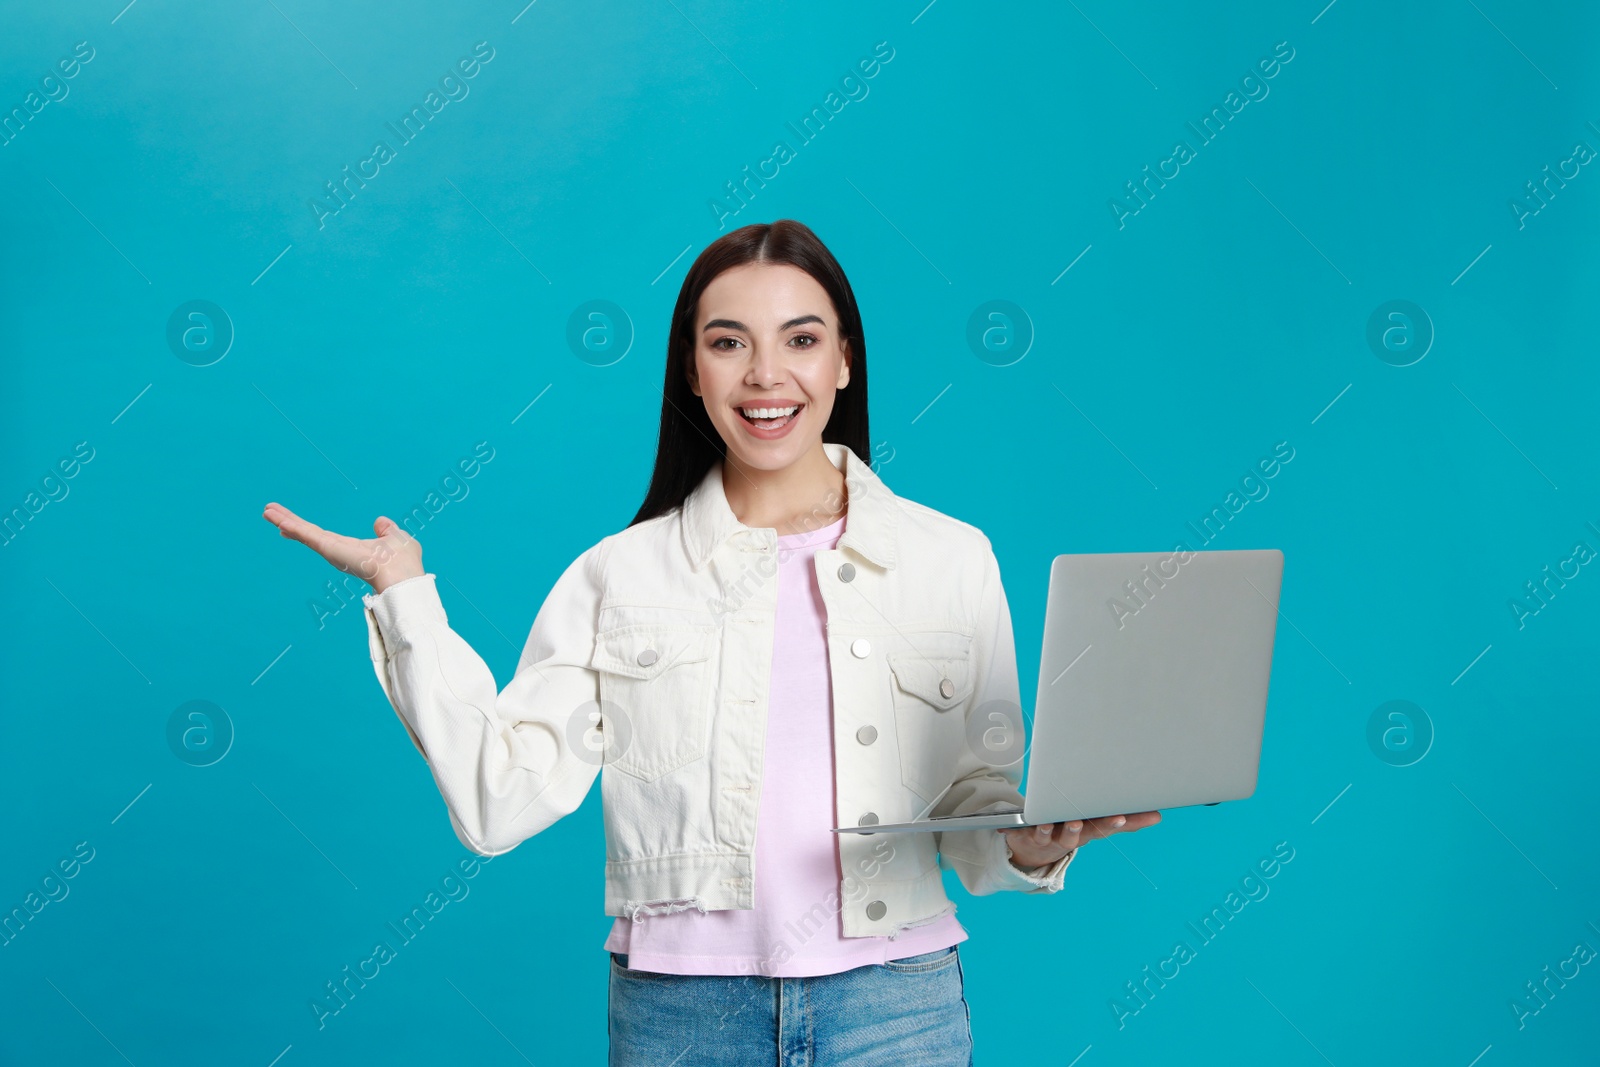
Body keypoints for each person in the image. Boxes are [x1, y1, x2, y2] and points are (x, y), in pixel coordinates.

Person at [262, 219, 1160, 1064]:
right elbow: (498, 800)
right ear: (691, 370)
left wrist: (1037, 841)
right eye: (729, 342)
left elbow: (971, 809)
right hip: (683, 1013)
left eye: (802, 340)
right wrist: (405, 595)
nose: (767, 375)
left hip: (897, 1005)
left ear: (846, 360)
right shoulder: (621, 574)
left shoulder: (953, 559)